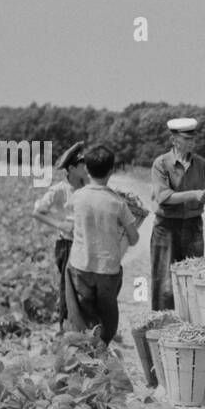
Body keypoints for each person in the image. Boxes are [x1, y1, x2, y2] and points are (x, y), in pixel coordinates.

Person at [66, 144, 140, 347]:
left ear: (87, 170)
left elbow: (72, 226)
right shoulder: (118, 203)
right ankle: (102, 348)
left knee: (82, 313)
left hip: (80, 266)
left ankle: (83, 349)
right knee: (107, 315)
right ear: (111, 171)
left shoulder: (77, 197)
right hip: (108, 269)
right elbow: (134, 239)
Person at [150, 117, 205, 309]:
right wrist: (195, 194)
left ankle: (190, 322)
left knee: (194, 275)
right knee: (164, 280)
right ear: (174, 140)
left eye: (193, 138)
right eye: (187, 139)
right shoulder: (161, 164)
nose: (192, 142)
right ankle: (163, 322)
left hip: (192, 225)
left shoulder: (200, 163)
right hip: (166, 227)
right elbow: (163, 197)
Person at [33, 140, 88, 329]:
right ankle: (65, 328)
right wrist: (59, 224)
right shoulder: (59, 190)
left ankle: (86, 327)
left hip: (88, 245)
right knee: (68, 289)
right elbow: (38, 212)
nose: (86, 167)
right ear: (72, 168)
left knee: (87, 289)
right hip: (68, 245)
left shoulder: (88, 186)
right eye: (83, 164)